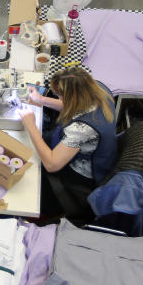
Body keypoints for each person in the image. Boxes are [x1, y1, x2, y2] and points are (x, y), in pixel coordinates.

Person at [19, 67, 118, 220]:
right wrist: (41, 100)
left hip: (80, 173)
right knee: (31, 141)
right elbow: (71, 105)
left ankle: (37, 213)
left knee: (28, 163)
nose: (59, 98)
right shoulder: (98, 89)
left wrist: (30, 126)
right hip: (93, 150)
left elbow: (52, 164)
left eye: (60, 95)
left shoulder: (83, 128)